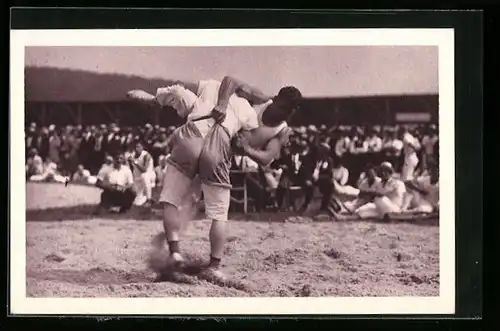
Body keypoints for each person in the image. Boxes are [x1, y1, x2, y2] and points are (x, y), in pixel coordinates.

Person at [128, 76, 300, 283]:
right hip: (218, 144)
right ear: (275, 99)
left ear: (291, 112)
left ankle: (179, 251)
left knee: (187, 203)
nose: (280, 113)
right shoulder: (258, 100)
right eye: (280, 107)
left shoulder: (281, 131)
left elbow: (267, 158)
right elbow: (231, 81)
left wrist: (245, 149)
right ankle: (182, 253)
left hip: (212, 141)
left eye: (285, 112)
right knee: (199, 206)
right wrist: (222, 103)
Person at [332, 162, 406, 220]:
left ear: (391, 172)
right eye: (382, 171)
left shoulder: (398, 183)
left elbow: (404, 195)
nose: (384, 173)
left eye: (386, 171)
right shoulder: (380, 184)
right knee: (361, 212)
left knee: (378, 198)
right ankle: (346, 216)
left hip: (393, 208)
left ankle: (390, 216)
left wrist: (403, 209)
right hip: (379, 208)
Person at [130, 141, 156, 207]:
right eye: (135, 147)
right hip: (137, 178)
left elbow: (144, 170)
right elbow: (131, 169)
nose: (136, 148)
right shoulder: (132, 155)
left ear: (142, 147)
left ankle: (149, 200)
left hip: (149, 176)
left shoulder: (146, 155)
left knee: (144, 176)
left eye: (138, 147)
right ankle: (146, 198)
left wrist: (135, 162)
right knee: (137, 203)